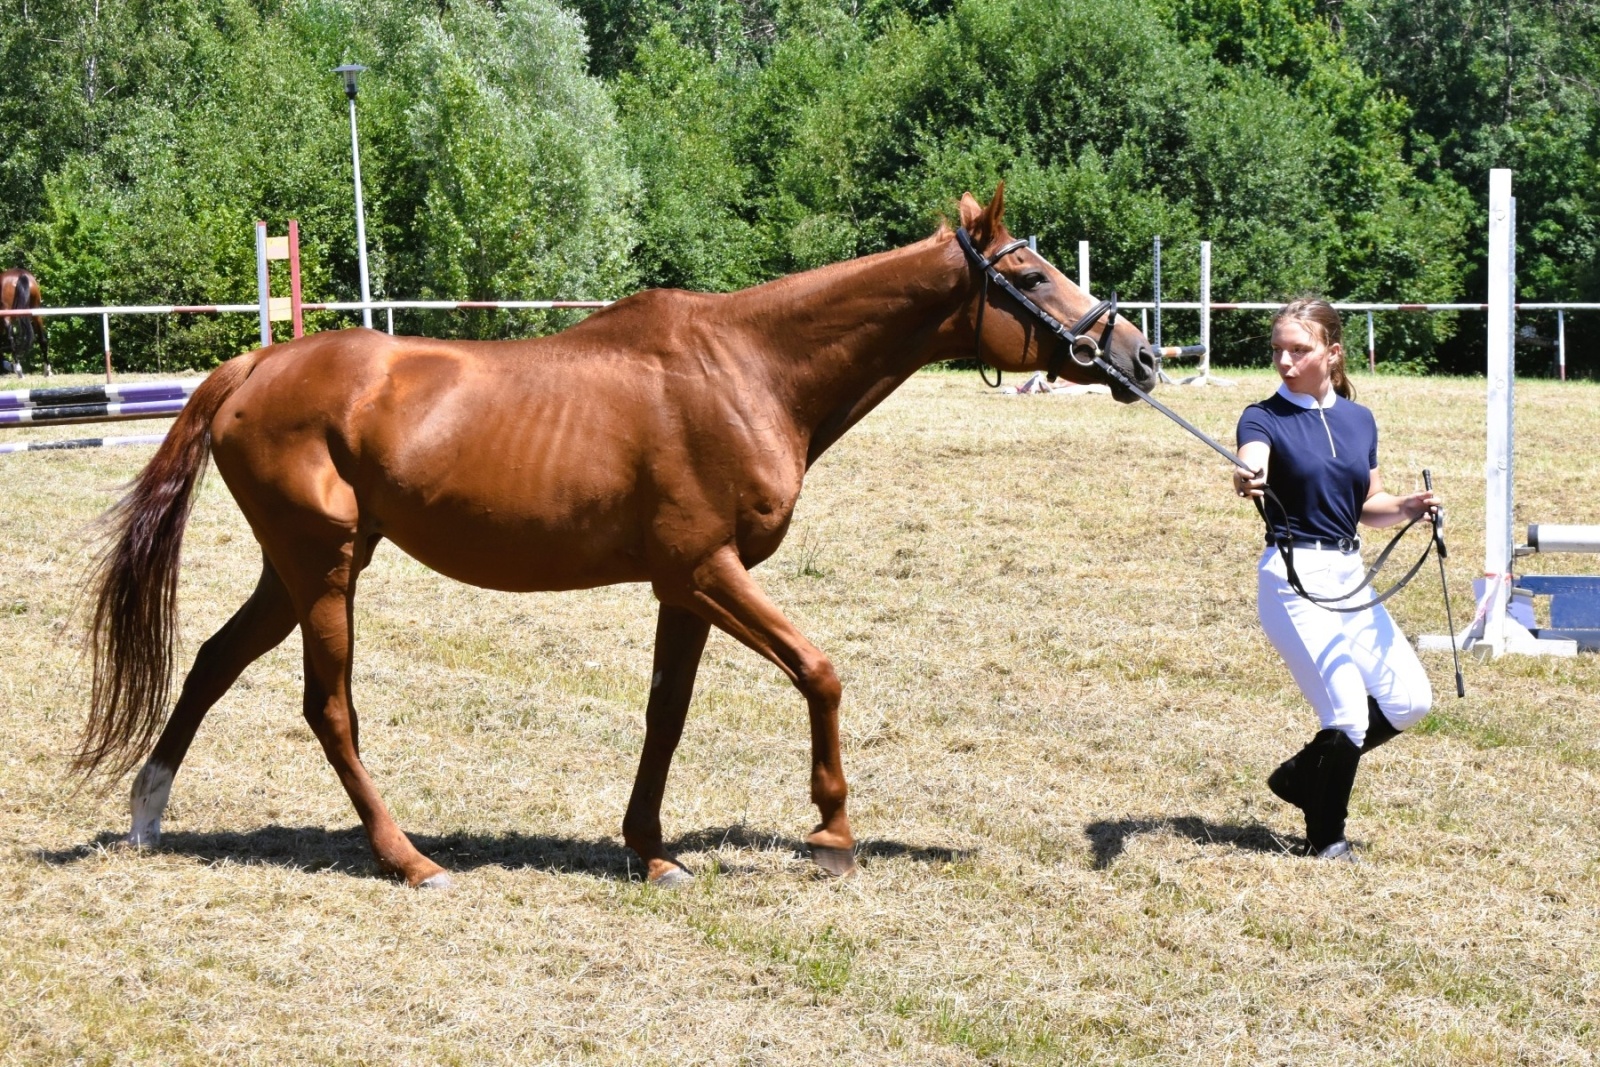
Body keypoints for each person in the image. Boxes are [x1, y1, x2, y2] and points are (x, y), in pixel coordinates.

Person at [1232, 297, 1438, 861]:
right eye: (1278, 350)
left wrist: (1411, 507)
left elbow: (1369, 504)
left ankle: (1303, 776)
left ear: (1332, 352)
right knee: (1346, 712)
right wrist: (1248, 475)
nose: (1285, 362)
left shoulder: (1358, 419)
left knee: (1409, 700)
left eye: (1299, 350)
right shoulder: (1263, 416)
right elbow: (1254, 460)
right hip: (1293, 577)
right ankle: (1326, 837)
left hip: (1349, 574)